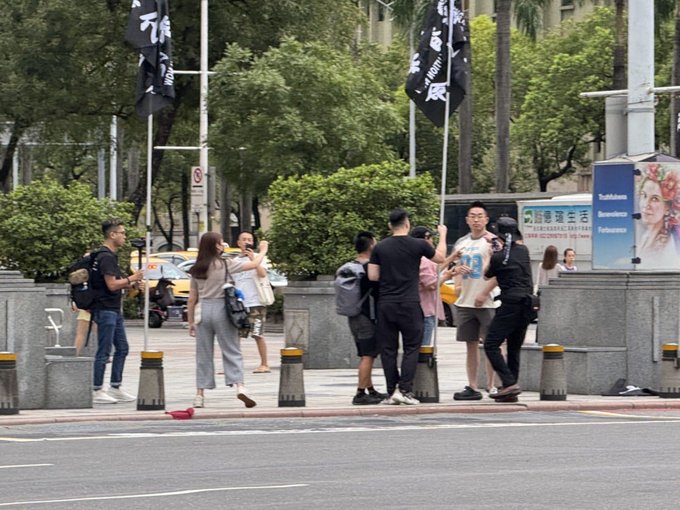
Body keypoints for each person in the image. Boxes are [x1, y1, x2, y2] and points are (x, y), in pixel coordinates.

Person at [368, 208, 447, 405]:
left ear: (389, 226)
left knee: (389, 350)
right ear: (408, 224)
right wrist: (443, 236)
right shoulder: (418, 244)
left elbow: (373, 276)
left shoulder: (380, 248)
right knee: (412, 347)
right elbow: (440, 259)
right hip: (410, 303)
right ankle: (405, 389)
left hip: (386, 304)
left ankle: (390, 391)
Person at [187, 232, 268, 409]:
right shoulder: (225, 264)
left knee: (203, 354)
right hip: (222, 309)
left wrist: (191, 321)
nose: (223, 244)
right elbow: (254, 264)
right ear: (215, 246)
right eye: (220, 242)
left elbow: (192, 297)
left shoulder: (197, 267)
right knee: (232, 349)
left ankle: (200, 394)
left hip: (203, 311)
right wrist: (263, 250)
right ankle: (240, 386)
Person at [479, 217, 534, 401]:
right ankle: (510, 391)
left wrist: (489, 253)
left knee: (491, 344)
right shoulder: (524, 251)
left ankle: (509, 383)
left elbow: (486, 276)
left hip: (510, 304)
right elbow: (513, 251)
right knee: (514, 347)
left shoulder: (498, 257)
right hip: (528, 304)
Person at [451, 201, 502, 401]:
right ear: (467, 220)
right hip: (465, 301)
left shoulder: (493, 242)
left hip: (487, 301)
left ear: (487, 219)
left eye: (480, 216)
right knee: (470, 345)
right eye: (472, 216)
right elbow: (454, 266)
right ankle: (472, 385)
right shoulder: (462, 243)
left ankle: (492, 384)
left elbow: (499, 271)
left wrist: (484, 293)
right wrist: (456, 280)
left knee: (492, 345)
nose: (476, 219)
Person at [90, 219, 145, 404]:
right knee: (104, 350)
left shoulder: (110, 256)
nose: (124, 236)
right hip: (105, 308)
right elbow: (112, 284)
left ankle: (115, 386)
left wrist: (131, 283)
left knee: (122, 347)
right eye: (121, 233)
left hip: (113, 308)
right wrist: (132, 278)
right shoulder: (106, 257)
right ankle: (97, 389)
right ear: (112, 235)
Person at [347, 231, 387, 405]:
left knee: (364, 353)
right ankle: (360, 393)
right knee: (368, 355)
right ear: (371, 245)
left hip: (352, 315)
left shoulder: (349, 266)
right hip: (367, 316)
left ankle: (370, 389)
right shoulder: (369, 268)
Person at [232, 231, 271, 374]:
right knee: (237, 335)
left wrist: (253, 259)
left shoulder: (259, 258)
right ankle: (234, 364)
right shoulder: (235, 260)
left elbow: (262, 274)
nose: (247, 242)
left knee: (257, 333)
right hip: (240, 303)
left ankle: (264, 363)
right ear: (238, 242)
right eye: (244, 239)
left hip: (256, 302)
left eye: (249, 239)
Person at [410, 226, 455, 348]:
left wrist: (452, 257)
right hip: (425, 311)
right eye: (431, 238)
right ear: (426, 239)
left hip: (413, 310)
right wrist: (446, 276)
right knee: (423, 348)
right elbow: (431, 285)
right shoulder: (423, 260)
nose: (432, 241)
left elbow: (436, 266)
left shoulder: (412, 257)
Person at [636, 163, 680, 269]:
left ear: (667, 208)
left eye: (655, 199)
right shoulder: (645, 236)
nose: (646, 205)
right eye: (643, 195)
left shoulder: (671, 243)